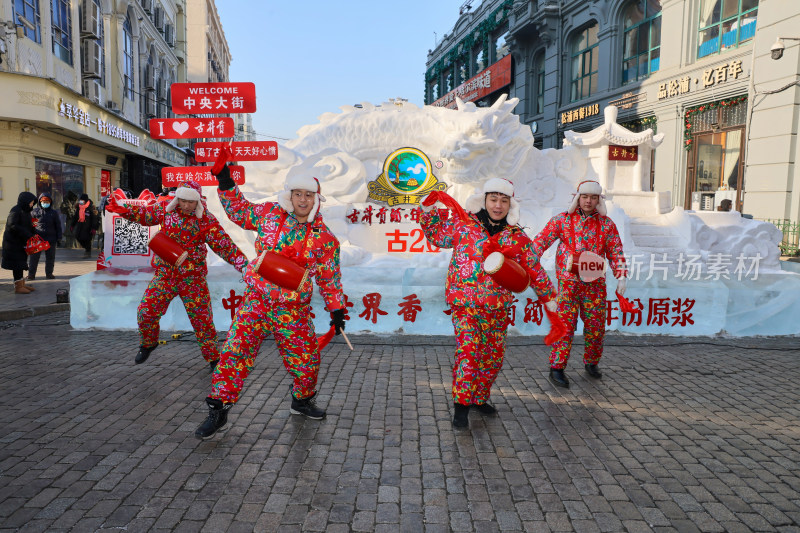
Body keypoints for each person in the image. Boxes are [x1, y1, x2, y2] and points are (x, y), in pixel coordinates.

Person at [194, 164, 347, 439]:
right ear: (289, 195)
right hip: (257, 300)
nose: (303, 200)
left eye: (309, 195)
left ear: (317, 199)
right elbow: (239, 210)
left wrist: (336, 308)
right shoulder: (269, 215)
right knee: (234, 353)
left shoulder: (325, 239)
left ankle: (301, 400)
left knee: (307, 362)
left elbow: (329, 277)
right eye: (298, 193)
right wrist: (226, 181)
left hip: (293, 309)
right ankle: (218, 408)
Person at [419, 178, 556, 429]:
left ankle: (479, 398)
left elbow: (534, 269)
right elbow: (437, 235)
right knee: (469, 353)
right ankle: (461, 406)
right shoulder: (464, 225)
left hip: (497, 305)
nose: (498, 205)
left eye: (504, 201)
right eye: (493, 199)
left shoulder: (517, 237)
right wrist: (428, 211)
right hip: (466, 302)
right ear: (484, 200)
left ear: (510, 205)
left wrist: (549, 297)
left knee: (493, 358)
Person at [105, 180, 248, 369]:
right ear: (177, 198)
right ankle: (149, 343)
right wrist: (125, 211)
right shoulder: (165, 209)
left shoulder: (206, 220)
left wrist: (245, 266)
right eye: (183, 201)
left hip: (193, 279)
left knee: (203, 322)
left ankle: (214, 359)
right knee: (146, 312)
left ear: (198, 201)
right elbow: (145, 215)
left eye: (191, 202)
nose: (186, 205)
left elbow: (225, 246)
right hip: (165, 275)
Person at [532, 180, 627, 388]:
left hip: (594, 285)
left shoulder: (606, 224)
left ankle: (592, 362)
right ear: (577, 198)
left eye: (593, 198)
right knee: (564, 326)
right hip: (567, 285)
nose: (589, 201)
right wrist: (529, 261)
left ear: (598, 200)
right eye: (585, 197)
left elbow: (615, 251)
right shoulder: (562, 221)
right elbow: (541, 241)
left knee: (596, 327)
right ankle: (557, 368)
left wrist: (621, 275)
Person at [2, 192, 42, 294]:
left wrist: (34, 233)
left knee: (21, 263)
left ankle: (22, 284)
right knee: (17, 264)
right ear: (25, 201)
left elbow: (29, 225)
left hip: (20, 242)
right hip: (13, 244)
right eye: (31, 202)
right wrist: (27, 233)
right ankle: (18, 287)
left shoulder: (26, 211)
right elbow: (12, 225)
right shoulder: (16, 210)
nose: (32, 205)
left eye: (33, 203)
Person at [28, 193, 63, 280]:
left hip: (51, 239)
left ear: (50, 202)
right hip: (37, 239)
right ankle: (31, 275)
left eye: (47, 201)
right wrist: (30, 236)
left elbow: (58, 226)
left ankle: (49, 274)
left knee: (50, 258)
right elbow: (31, 226)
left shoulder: (54, 213)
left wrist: (59, 237)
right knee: (34, 258)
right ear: (40, 202)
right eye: (43, 201)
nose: (45, 203)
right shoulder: (34, 212)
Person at [70, 193, 99, 258]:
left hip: (88, 227)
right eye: (80, 200)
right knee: (78, 237)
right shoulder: (79, 207)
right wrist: (72, 225)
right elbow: (75, 217)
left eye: (82, 200)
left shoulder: (90, 207)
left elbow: (94, 218)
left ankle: (88, 252)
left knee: (87, 239)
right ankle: (87, 249)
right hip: (80, 226)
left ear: (85, 200)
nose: (81, 201)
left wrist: (94, 228)